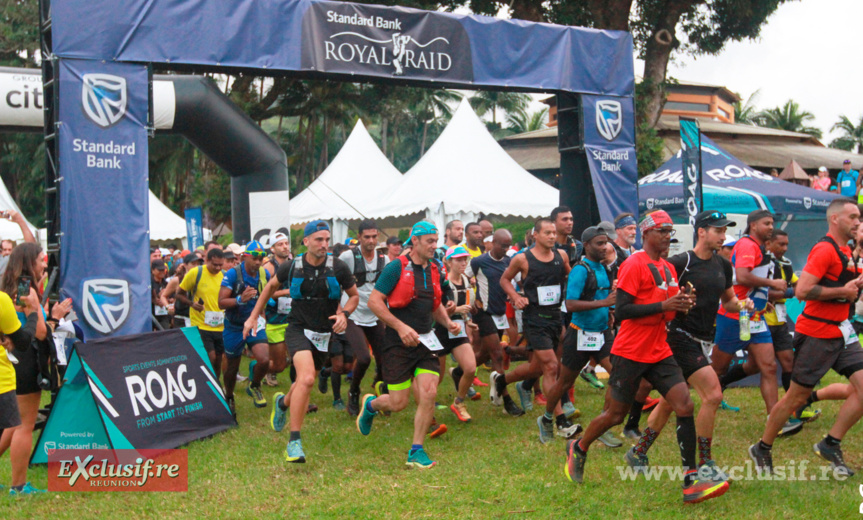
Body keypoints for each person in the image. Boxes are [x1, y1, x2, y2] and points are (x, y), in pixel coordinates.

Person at [564, 210, 729, 504]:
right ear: (646, 234)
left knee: (685, 404)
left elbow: (667, 310)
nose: (667, 237)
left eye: (670, 232)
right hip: (630, 350)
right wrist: (664, 303)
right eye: (662, 231)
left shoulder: (667, 268)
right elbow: (624, 310)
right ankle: (580, 446)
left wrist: (682, 305)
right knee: (615, 415)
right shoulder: (634, 264)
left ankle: (691, 480)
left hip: (660, 348)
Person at [625, 211, 743, 480]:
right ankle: (705, 464)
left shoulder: (723, 265)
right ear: (701, 231)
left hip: (704, 341)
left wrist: (748, 306)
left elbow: (729, 302)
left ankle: (638, 452)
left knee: (672, 399)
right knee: (712, 395)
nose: (723, 236)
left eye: (725, 231)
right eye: (718, 230)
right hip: (678, 337)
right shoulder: (681, 262)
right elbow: (655, 293)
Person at [749, 198, 863, 477]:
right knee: (794, 398)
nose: (857, 222)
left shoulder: (846, 250)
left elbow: (844, 285)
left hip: (842, 330)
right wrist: (843, 293)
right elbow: (802, 291)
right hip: (817, 333)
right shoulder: (824, 250)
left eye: (859, 217)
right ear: (835, 219)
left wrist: (852, 287)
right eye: (852, 217)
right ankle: (762, 447)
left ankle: (830, 443)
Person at [247, 220, 358, 463]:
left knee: (304, 383)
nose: (324, 244)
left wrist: (344, 315)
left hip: (324, 333)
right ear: (306, 241)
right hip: (297, 328)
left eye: (327, 240)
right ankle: (294, 442)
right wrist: (253, 317)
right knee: (307, 378)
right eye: (319, 239)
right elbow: (268, 289)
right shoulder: (291, 266)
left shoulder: (337, 267)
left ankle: (282, 402)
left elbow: (354, 296)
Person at [356, 221, 461, 469]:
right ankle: (371, 405)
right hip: (397, 343)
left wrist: (447, 323)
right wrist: (400, 327)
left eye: (436, 241)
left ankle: (416, 450)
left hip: (426, 341)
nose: (434, 246)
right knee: (398, 403)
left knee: (429, 392)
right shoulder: (395, 268)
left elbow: (433, 303)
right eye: (430, 242)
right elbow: (374, 302)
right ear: (414, 241)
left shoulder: (435, 268)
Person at [538, 225, 621, 447]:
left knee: (617, 375)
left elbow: (603, 296)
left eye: (606, 242)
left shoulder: (604, 268)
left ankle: (602, 424)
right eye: (600, 243)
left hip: (602, 333)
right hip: (579, 334)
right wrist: (604, 303)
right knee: (564, 382)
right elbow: (570, 304)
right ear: (587, 245)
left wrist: (609, 312)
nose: (605, 247)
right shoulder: (580, 270)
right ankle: (546, 418)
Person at [494, 218, 578, 436]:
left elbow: (573, 276)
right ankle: (559, 420)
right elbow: (504, 280)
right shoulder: (523, 259)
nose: (552, 236)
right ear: (536, 235)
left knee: (540, 368)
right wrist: (515, 296)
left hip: (555, 317)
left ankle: (502, 379)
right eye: (547, 233)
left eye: (553, 233)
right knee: (550, 367)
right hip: (534, 319)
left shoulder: (561, 256)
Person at [0, 243, 47, 495]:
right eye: (41, 259)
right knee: (23, 425)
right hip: (25, 357)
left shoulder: (6, 287)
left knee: (11, 423)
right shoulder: (27, 289)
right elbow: (39, 331)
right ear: (30, 261)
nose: (44, 264)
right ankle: (18, 486)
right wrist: (40, 310)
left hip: (10, 360)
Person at [338, 219, 389, 416]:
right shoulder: (348, 257)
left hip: (374, 314)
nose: (371, 240)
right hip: (352, 312)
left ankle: (380, 389)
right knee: (365, 357)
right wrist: (339, 311)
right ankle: (354, 391)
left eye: (374, 236)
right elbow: (337, 284)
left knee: (384, 358)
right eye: (367, 237)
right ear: (359, 237)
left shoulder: (384, 259)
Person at [472, 229, 525, 416]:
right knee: (497, 355)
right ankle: (507, 401)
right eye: (502, 245)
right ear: (492, 242)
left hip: (500, 313)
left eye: (508, 245)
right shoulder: (478, 261)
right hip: (483, 313)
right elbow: (464, 278)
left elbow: (514, 283)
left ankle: (460, 372)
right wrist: (472, 300)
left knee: (484, 354)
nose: (506, 249)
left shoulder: (509, 262)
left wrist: (515, 296)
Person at [218, 241, 272, 416]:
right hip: (234, 326)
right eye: (255, 258)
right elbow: (221, 302)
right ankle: (229, 396)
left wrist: (263, 310)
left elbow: (267, 293)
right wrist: (240, 300)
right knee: (232, 368)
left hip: (254, 322)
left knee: (264, 360)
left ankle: (254, 385)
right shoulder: (233, 274)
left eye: (261, 258)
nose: (258, 262)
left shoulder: (264, 274)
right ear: (244, 257)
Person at [436, 246, 478, 422]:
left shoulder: (467, 281)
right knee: (435, 376)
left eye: (465, 259)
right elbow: (434, 308)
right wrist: (455, 310)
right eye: (459, 259)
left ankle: (459, 402)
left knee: (470, 368)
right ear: (448, 262)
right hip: (439, 330)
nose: (463, 263)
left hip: (458, 329)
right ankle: (427, 404)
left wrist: (468, 321)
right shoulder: (441, 282)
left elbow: (467, 306)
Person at [177, 248, 225, 384]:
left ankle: (215, 386)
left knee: (218, 360)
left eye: (220, 265)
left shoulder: (225, 275)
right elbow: (179, 293)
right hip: (201, 324)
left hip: (220, 325)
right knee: (210, 357)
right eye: (215, 264)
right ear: (206, 261)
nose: (218, 268)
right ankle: (204, 383)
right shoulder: (195, 273)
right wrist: (192, 304)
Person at [262, 231, 292, 388]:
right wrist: (286, 292)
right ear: (272, 249)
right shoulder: (269, 268)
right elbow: (264, 294)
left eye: (286, 243)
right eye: (280, 244)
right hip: (274, 320)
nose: (285, 247)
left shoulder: (294, 263)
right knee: (280, 365)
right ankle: (262, 369)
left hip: (292, 318)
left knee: (297, 357)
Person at [150, 259, 172, 330]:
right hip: (151, 315)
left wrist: (167, 299)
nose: (162, 272)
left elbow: (173, 297)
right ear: (153, 270)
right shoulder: (148, 283)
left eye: (163, 270)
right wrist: (154, 299)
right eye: (159, 270)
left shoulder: (166, 283)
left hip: (163, 315)